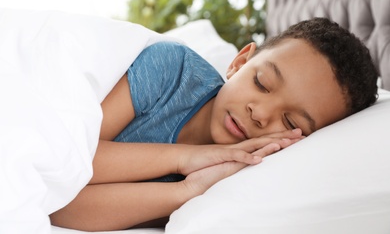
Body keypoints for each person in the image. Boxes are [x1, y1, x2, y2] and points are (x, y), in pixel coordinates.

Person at [50, 17, 378, 231]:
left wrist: (187, 190)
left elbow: (58, 207)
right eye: (262, 83)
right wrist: (184, 158)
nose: (260, 113)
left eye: (290, 121)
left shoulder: (236, 184)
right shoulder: (171, 71)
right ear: (239, 63)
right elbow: (59, 162)